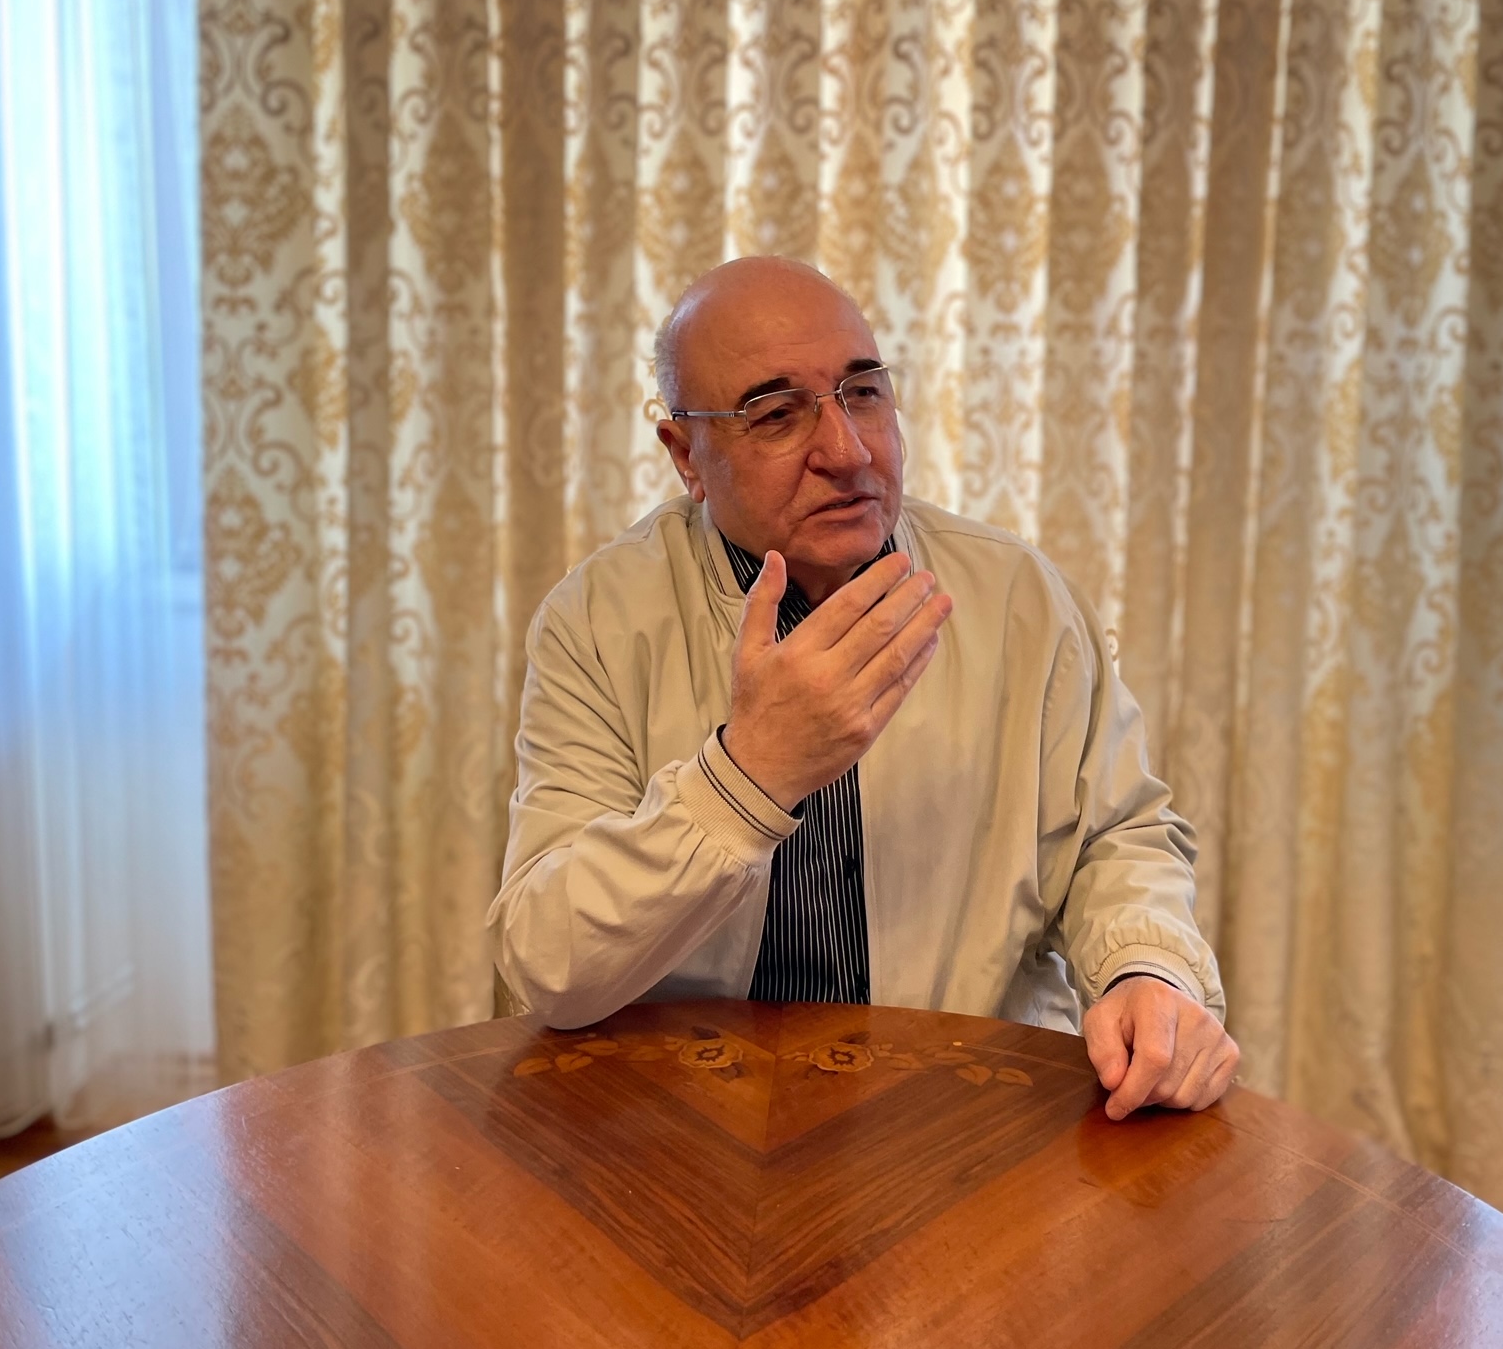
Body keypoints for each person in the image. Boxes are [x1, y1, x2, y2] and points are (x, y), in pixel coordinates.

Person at [488, 256, 1239, 1120]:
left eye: (865, 393)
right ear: (686, 455)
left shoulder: (1018, 598)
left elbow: (1115, 835)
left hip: (957, 1110)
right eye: (777, 414)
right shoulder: (599, 618)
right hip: (688, 1122)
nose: (847, 451)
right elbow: (550, 966)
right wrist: (747, 778)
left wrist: (1148, 970)